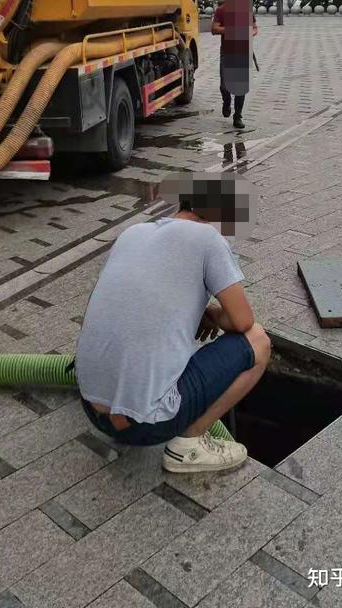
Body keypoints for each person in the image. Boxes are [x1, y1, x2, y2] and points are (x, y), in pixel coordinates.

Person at [73, 184, 270, 474]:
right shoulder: (208, 239)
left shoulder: (132, 232)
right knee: (259, 341)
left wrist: (194, 312)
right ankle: (189, 446)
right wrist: (214, 316)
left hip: (90, 406)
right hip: (145, 426)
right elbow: (243, 322)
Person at [211, 0, 258, 129]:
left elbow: (255, 28)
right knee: (224, 86)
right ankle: (226, 101)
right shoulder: (221, 10)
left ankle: (238, 116)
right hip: (226, 53)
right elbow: (214, 29)